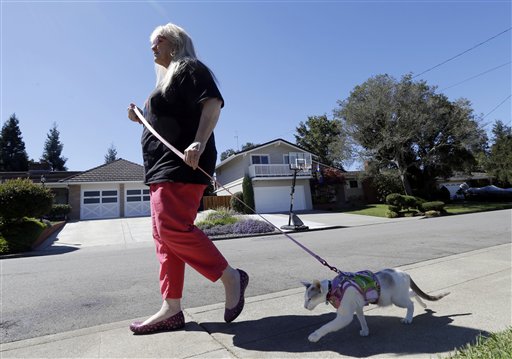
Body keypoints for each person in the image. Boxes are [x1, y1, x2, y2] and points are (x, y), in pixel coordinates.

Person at [127, 22, 248, 335]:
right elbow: (166, 120)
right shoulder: (166, 80)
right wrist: (140, 115)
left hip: (182, 165)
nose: (152, 48)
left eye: (157, 41)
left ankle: (230, 277)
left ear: (173, 41)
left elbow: (212, 102)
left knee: (171, 228)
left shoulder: (190, 68)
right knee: (164, 239)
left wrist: (199, 141)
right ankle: (171, 308)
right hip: (159, 170)